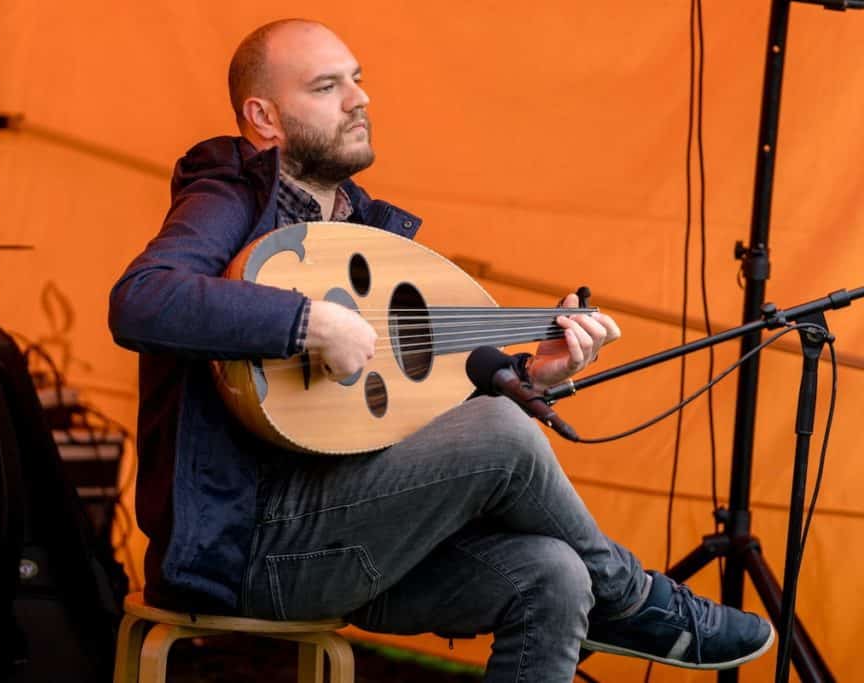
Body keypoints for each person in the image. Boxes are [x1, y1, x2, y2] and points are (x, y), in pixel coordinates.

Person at [108, 19, 774, 681]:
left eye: (358, 79)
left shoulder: (365, 230)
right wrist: (308, 321)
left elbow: (412, 405)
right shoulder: (230, 193)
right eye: (327, 86)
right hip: (249, 550)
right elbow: (142, 297)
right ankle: (632, 598)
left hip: (361, 537)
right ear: (264, 117)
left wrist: (529, 372)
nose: (359, 98)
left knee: (556, 573)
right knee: (502, 433)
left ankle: (608, 593)